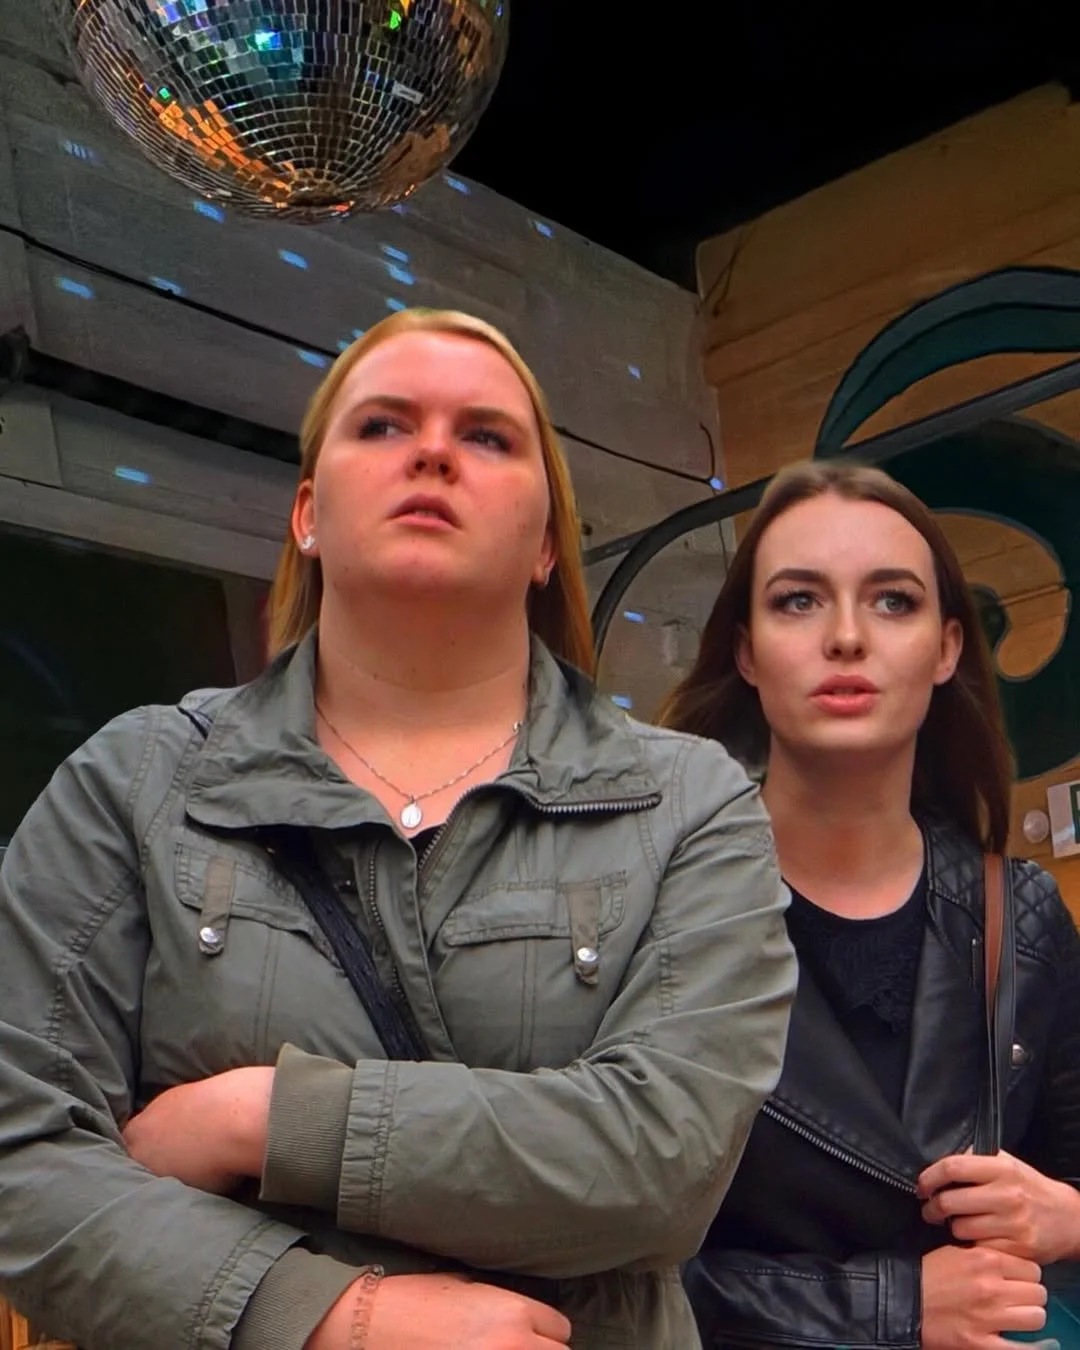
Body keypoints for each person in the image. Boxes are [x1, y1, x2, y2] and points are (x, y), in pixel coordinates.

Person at [0, 308, 797, 1350]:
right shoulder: (136, 780)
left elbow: (668, 1161)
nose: (431, 452)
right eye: (381, 426)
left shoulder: (690, 802)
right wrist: (334, 1315)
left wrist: (263, 1118)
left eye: (487, 436)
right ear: (307, 514)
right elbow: (23, 1154)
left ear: (547, 544)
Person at [662, 459, 1080, 1350]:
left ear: (948, 648)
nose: (847, 637)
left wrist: (1070, 1218)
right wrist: (895, 1306)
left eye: (893, 601)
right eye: (798, 601)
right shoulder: (659, 908)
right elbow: (607, 1272)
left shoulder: (1022, 915)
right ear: (746, 650)